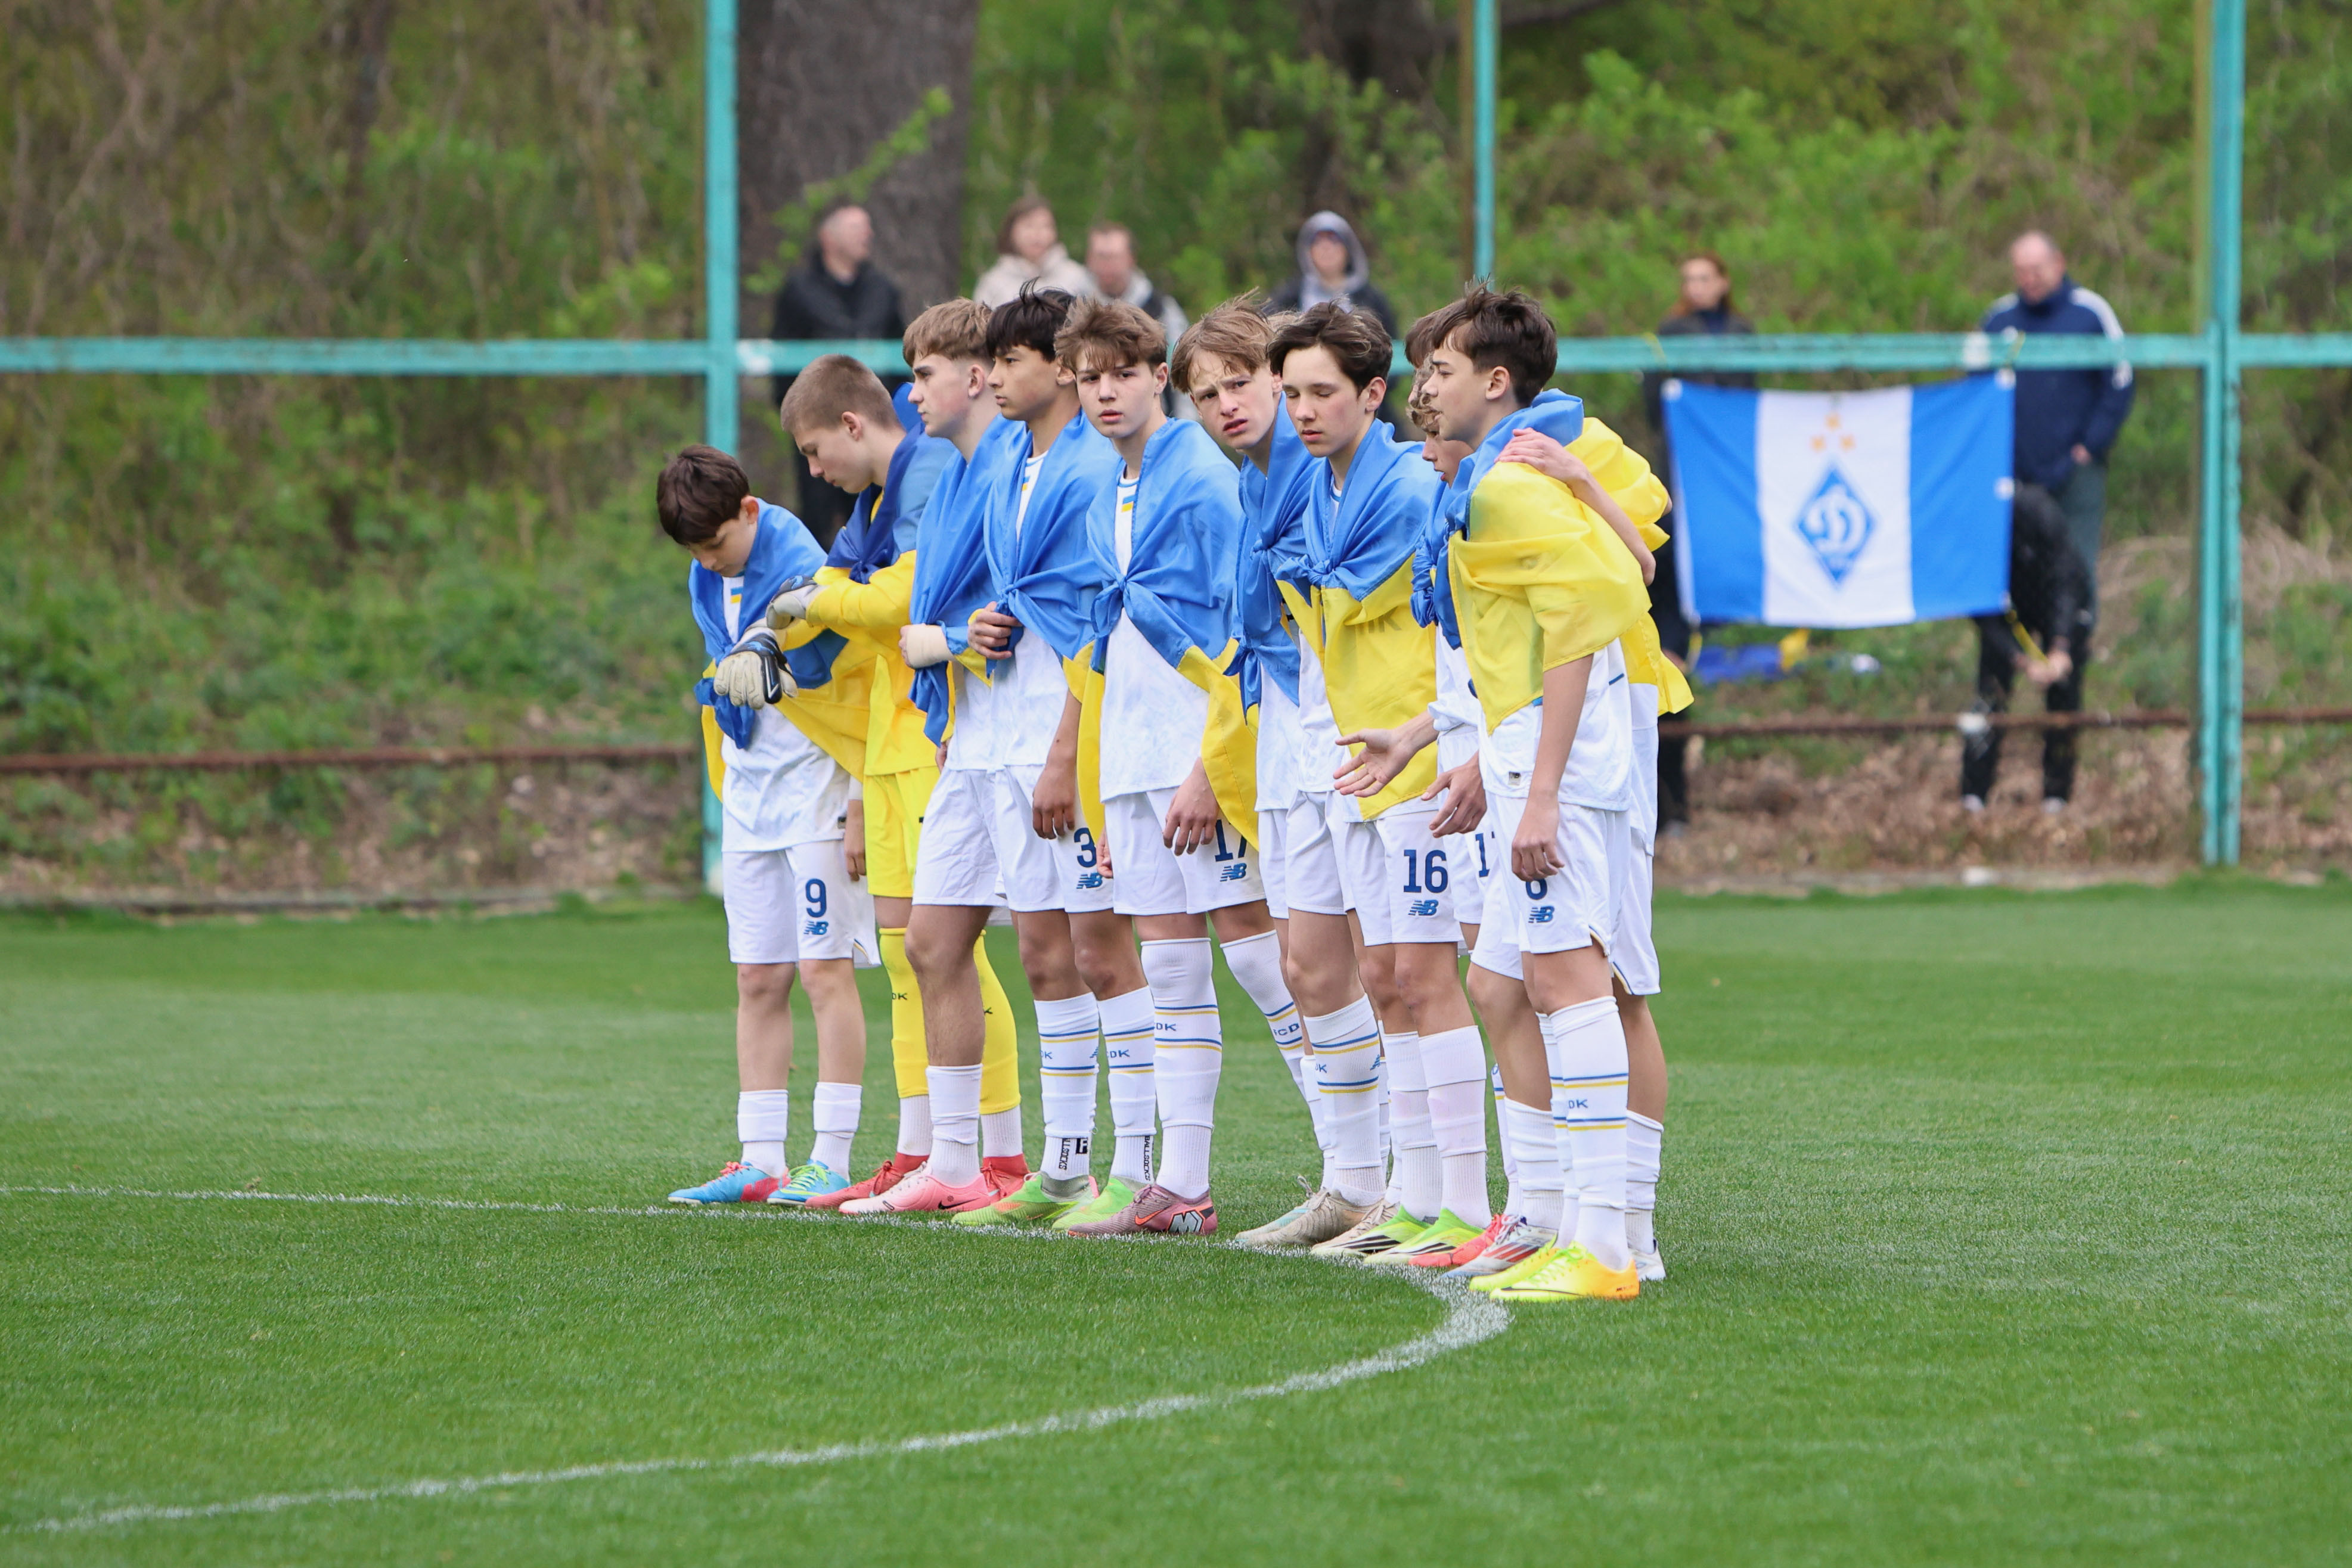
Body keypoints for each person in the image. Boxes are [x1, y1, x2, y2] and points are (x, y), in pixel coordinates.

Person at [857, 286, 1153, 1222]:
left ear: (1052, 367)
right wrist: (951, 653)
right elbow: (986, 605)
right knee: (933, 940)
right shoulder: (997, 468)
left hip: (1042, 741)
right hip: (979, 740)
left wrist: (1063, 750)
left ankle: (1100, 1166)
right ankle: (956, 1159)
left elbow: (1081, 617)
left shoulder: (1083, 466)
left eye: (1003, 361)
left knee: (1075, 953)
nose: (986, 378)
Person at [1416, 284, 1669, 1303]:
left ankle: (1604, 1243)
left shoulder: (1511, 482)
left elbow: (1588, 621)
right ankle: (1550, 1220)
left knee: (1575, 983)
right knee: (1500, 983)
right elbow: (1623, 573)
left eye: (1438, 370)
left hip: (1556, 760)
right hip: (1525, 750)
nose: (1422, 388)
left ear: (1494, 381)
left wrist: (1542, 789)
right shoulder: (1498, 473)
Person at [1051, 296, 1302, 1238]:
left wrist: (1209, 763)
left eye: (1124, 373)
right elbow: (1107, 639)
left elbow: (1242, 627)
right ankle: (1182, 1183)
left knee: (1260, 956)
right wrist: (1098, 775)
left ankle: (1362, 1165)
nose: (1106, 392)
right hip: (1131, 754)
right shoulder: (1106, 487)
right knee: (1169, 967)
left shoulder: (1200, 474)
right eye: (1090, 377)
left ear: (1157, 377)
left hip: (1197, 748)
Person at [763, 344, 1026, 1209]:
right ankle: (921, 1146)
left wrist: (809, 605)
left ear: (849, 424)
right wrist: (768, 638)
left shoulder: (929, 474)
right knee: (904, 956)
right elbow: (838, 585)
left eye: (814, 452)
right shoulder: (876, 502)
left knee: (948, 951)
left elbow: (897, 603)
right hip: (885, 745)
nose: (814, 471)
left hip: (928, 736)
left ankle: (1002, 1153)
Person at [1265, 302, 1495, 1268]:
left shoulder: (1405, 487)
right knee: (1386, 978)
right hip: (1357, 762)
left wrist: (1429, 736)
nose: (1303, 411)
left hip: (1416, 761)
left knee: (1426, 976)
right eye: (1291, 394)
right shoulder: (1317, 490)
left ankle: (1463, 1202)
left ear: (1371, 394)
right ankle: (1413, 1192)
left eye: (1321, 392)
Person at [1171, 299, 1380, 1251]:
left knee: (1396, 967)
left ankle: (1418, 1181)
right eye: (1205, 393)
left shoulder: (1323, 469)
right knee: (1306, 964)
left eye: (1240, 381)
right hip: (1292, 742)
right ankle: (1352, 1180)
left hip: (1356, 736)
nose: (1227, 404)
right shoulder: (1253, 484)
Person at [654, 446, 873, 1207]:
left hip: (817, 793)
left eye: (716, 544)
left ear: (749, 512)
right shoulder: (704, 577)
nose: (708, 562)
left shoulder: (813, 571)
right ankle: (759, 1160)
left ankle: (831, 1158)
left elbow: (859, 680)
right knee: (757, 977)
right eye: (694, 552)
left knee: (823, 971)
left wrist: (858, 799)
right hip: (749, 797)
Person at [1639, 250, 1754, 834]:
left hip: (1722, 486)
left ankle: (1677, 808)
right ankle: (1662, 810)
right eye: (1689, 279)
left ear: (1724, 281)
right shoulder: (1671, 335)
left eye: (1705, 277)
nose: (1697, 287)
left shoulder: (1741, 336)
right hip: (1684, 483)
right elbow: (1654, 406)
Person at [1982, 231, 2133, 615]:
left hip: (2075, 473)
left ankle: (2073, 646)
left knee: (2076, 568)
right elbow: (1976, 388)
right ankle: (2023, 647)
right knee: (2017, 574)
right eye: (2022, 270)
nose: (2029, 279)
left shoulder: (2090, 313)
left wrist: (2090, 446)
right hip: (2015, 475)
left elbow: (2119, 382)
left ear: (2059, 264)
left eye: (2037, 269)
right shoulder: (1999, 319)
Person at [771, 204, 908, 543]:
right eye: (856, 227)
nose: (868, 234)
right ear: (828, 237)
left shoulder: (883, 290)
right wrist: (802, 420)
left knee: (879, 523)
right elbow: (782, 362)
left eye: (867, 226)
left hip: (872, 428)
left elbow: (900, 356)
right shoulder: (798, 291)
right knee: (817, 521)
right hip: (817, 425)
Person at [1962, 483, 2093, 814]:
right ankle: (1973, 794)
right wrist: (2020, 658)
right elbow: (1983, 614)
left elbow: (2066, 583)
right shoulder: (1976, 532)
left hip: (2054, 600)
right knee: (1991, 690)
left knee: (2064, 692)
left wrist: (2061, 647)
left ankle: (2057, 794)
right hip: (2006, 605)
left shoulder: (2039, 513)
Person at [1267, 212, 1398, 337]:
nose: (1326, 248)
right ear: (1308, 251)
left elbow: (1389, 342)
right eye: (1318, 241)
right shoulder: (1290, 296)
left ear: (1348, 249)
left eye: (1334, 240)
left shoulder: (1371, 299)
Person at [973, 196, 1093, 309]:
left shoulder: (1077, 277)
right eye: (1029, 226)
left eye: (1045, 226)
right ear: (1011, 232)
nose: (1037, 233)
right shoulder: (993, 283)